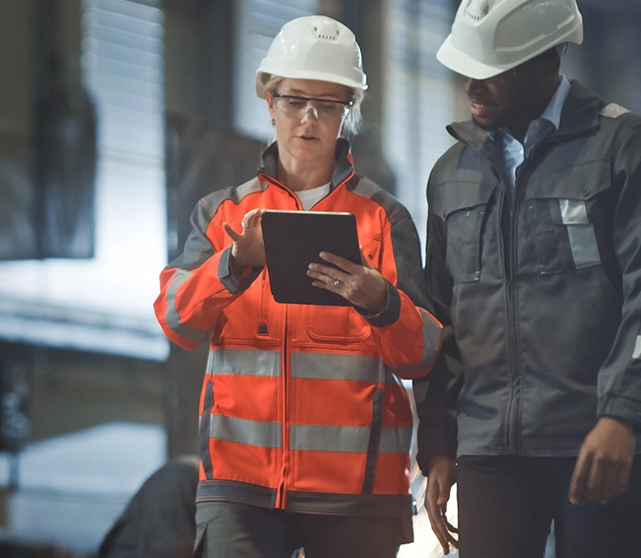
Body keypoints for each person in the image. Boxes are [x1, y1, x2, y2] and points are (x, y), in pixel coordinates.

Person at [153, 15, 443, 558]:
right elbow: (175, 319)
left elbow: (424, 352)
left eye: (328, 105)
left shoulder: (385, 220)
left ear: (346, 113)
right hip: (240, 492)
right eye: (294, 100)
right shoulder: (222, 216)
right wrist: (234, 265)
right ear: (269, 101)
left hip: (357, 498)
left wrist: (382, 303)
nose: (309, 118)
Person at [412, 0, 641, 556]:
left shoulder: (624, 148)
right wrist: (439, 443)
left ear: (546, 63)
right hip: (490, 449)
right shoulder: (451, 175)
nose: (471, 82)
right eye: (467, 66)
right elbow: (437, 317)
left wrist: (622, 416)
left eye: (492, 69)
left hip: (596, 441)